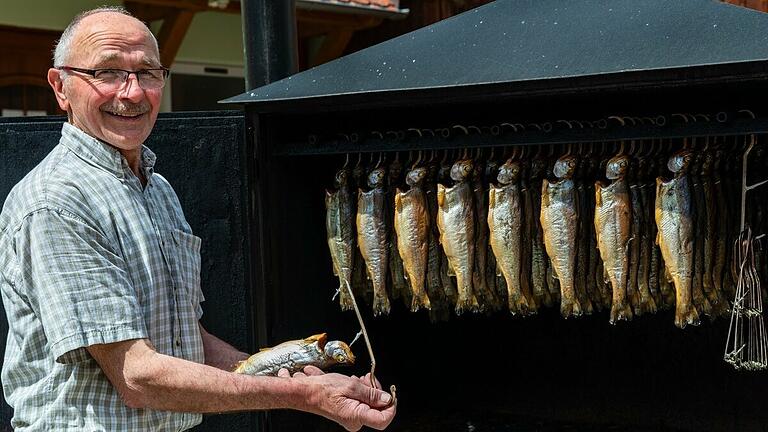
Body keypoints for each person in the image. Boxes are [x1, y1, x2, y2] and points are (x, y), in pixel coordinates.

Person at [0, 6, 396, 431]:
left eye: (147, 73)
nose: (132, 93)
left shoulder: (157, 189)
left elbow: (184, 339)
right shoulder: (58, 202)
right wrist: (305, 396)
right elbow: (137, 376)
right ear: (61, 86)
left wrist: (292, 371)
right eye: (108, 73)